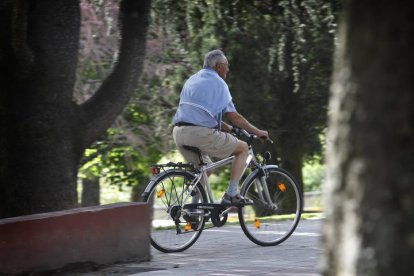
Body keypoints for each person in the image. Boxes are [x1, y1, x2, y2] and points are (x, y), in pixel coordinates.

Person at [172, 49, 269, 205]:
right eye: (227, 66)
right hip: (200, 134)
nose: (228, 69)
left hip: (179, 133)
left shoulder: (192, 79)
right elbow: (234, 116)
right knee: (243, 148)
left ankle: (192, 208)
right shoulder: (219, 83)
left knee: (207, 169)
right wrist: (257, 132)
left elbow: (195, 111)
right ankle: (232, 193)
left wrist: (223, 125)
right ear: (219, 66)